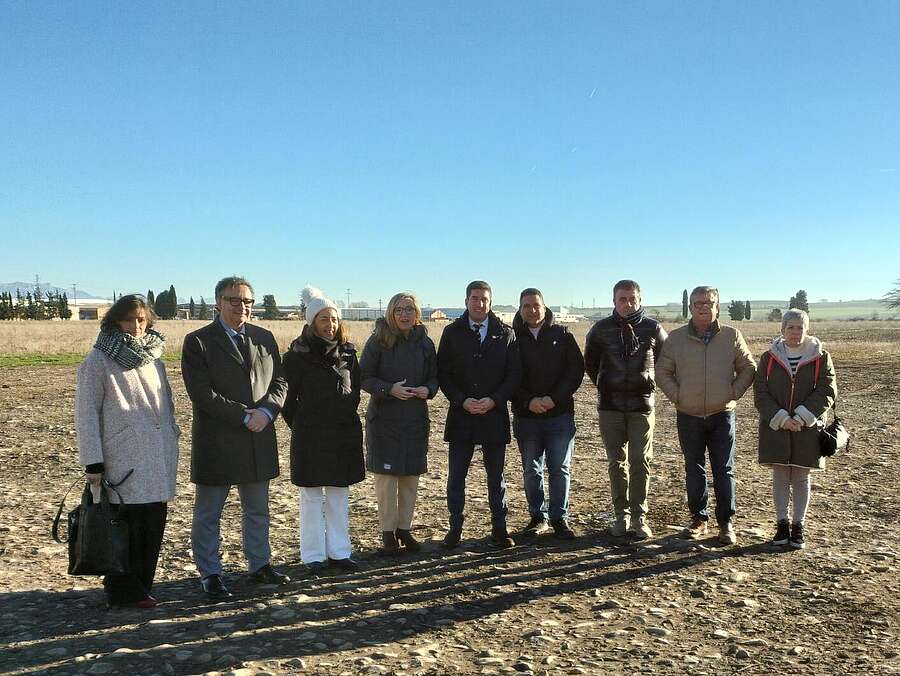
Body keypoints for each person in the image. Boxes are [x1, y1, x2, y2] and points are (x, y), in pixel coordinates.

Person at [182, 276, 289, 598]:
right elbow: (200, 392)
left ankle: (260, 565)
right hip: (219, 439)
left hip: (258, 436)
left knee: (257, 509)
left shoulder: (264, 337)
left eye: (247, 302)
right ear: (218, 302)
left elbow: (280, 382)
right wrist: (243, 415)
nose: (241, 307)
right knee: (209, 512)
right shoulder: (198, 341)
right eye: (234, 300)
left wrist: (268, 412)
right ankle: (210, 573)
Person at [75, 294, 179, 608]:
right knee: (124, 524)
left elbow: (165, 403)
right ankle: (123, 590)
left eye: (142, 319)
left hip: (157, 453)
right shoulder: (98, 360)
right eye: (130, 319)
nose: (136, 326)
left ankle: (142, 587)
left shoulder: (154, 356)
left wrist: (172, 432)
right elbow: (86, 413)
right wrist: (92, 460)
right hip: (123, 456)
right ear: (115, 320)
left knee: (153, 520)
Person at [657, 286, 756, 545]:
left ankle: (726, 522)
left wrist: (732, 393)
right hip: (688, 414)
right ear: (690, 307)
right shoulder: (676, 339)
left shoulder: (732, 336)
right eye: (698, 303)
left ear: (717, 307)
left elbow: (748, 368)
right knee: (694, 468)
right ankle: (699, 519)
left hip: (721, 414)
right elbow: (662, 372)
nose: (703, 307)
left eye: (709, 302)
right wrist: (678, 396)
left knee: (724, 469)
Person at [282, 286, 365, 572]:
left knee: (339, 494)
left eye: (333, 319)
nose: (330, 325)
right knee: (311, 495)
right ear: (311, 322)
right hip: (310, 434)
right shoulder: (296, 354)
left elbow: (355, 393)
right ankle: (313, 556)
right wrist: (302, 423)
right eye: (323, 319)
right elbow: (287, 399)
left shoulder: (349, 353)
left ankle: (340, 552)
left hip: (343, 433)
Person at [438, 280, 521, 549]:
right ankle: (455, 528)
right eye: (475, 298)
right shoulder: (452, 333)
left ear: (490, 302)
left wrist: (494, 400)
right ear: (466, 301)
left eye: (484, 299)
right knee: (456, 475)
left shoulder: (505, 333)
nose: (479, 303)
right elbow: (443, 374)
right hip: (462, 414)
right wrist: (461, 401)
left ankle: (499, 528)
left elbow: (513, 374)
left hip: (493, 414)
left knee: (495, 476)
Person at [584, 280, 667, 540]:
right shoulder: (600, 330)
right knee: (615, 462)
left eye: (632, 299)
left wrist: (650, 383)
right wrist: (605, 384)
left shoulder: (653, 328)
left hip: (642, 406)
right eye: (623, 299)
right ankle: (621, 515)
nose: (628, 304)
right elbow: (591, 364)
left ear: (640, 300)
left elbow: (666, 362)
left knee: (640, 461)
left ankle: (639, 516)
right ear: (614, 301)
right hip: (610, 407)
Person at [360, 292, 439, 554]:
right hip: (384, 420)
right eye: (399, 310)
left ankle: (404, 529)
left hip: (415, 419)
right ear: (390, 314)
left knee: (410, 477)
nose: (404, 315)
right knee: (386, 479)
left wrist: (428, 390)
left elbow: (434, 377)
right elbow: (364, 378)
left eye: (409, 309)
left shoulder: (425, 343)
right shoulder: (378, 340)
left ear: (417, 313)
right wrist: (389, 389)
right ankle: (387, 533)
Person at [754, 309, 836, 549]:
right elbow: (761, 393)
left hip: (807, 428)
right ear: (782, 329)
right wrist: (781, 417)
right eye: (791, 327)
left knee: (801, 476)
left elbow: (827, 391)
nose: (795, 332)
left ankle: (798, 526)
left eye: (800, 327)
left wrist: (801, 416)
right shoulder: (768, 358)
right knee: (780, 474)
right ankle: (781, 524)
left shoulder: (821, 357)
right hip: (776, 426)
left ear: (807, 329)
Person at [511, 288, 585, 539]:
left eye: (536, 305)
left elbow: (575, 371)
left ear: (545, 307)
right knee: (531, 469)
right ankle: (537, 517)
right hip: (527, 416)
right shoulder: (512, 338)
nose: (532, 310)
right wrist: (528, 400)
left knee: (559, 468)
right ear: (520, 309)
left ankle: (559, 518)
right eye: (526, 306)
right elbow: (507, 375)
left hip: (559, 416)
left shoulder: (562, 335)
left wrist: (553, 399)